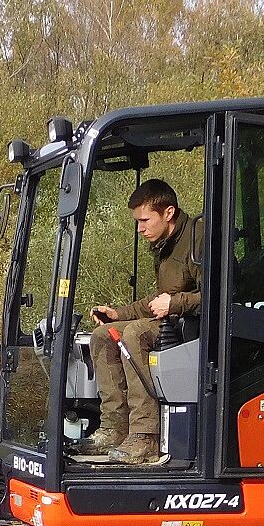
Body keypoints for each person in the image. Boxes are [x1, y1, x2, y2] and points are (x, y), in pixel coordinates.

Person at [75, 180, 203, 466]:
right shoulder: (165, 243)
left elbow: (217, 295)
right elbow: (159, 299)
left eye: (145, 220)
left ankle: (146, 435)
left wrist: (175, 304)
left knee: (135, 334)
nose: (140, 228)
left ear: (168, 213)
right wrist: (118, 314)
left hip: (194, 325)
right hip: (172, 319)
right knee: (103, 334)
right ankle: (114, 429)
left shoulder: (198, 236)